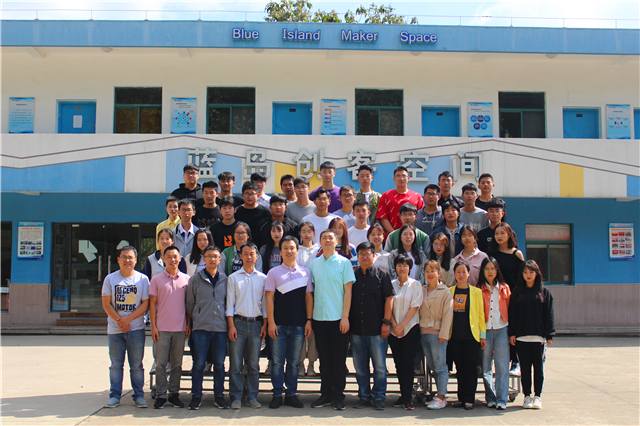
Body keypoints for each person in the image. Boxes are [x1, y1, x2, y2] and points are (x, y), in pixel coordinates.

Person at [265, 236, 314, 409]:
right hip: (278, 325)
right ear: (280, 251)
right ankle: (277, 394)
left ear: (297, 250)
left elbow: (309, 299)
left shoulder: (305, 272)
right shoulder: (273, 273)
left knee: (293, 363)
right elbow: (269, 299)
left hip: (299, 325)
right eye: (285, 248)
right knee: (277, 363)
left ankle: (291, 394)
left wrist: (308, 321)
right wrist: (271, 322)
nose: (289, 251)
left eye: (292, 247)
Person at [309, 229, 355, 411]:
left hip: (338, 318)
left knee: (338, 360)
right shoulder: (314, 264)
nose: (327, 240)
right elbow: (313, 289)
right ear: (320, 241)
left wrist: (345, 317)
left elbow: (348, 291)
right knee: (324, 360)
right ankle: (325, 395)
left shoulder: (344, 263)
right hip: (319, 318)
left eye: (331, 238)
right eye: (324, 238)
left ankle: (338, 396)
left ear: (337, 241)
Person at [101, 246, 150, 409]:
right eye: (124, 257)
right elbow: (106, 304)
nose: (127, 260)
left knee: (136, 365)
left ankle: (139, 395)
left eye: (130, 257)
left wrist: (128, 320)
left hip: (136, 329)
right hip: (115, 330)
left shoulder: (143, 279)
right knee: (116, 364)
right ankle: (115, 396)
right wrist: (119, 321)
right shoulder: (110, 279)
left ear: (136, 260)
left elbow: (145, 304)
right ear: (118, 260)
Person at [350, 242, 393, 411]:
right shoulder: (352, 275)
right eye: (361, 254)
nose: (364, 257)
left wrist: (386, 322)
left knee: (380, 367)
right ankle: (364, 396)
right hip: (356, 330)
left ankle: (379, 396)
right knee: (360, 367)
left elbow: (389, 299)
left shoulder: (382, 275)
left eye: (368, 254)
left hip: (377, 329)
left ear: (374, 256)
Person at [185, 245, 229, 410]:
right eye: (209, 256)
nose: (212, 259)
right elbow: (190, 304)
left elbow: (228, 304)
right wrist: (196, 319)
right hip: (200, 329)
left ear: (220, 260)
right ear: (204, 259)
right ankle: (196, 396)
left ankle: (219, 396)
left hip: (220, 329)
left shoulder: (226, 280)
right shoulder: (195, 280)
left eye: (215, 256)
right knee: (198, 364)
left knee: (219, 364)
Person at [226, 242, 268, 410]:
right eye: (246, 254)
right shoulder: (233, 278)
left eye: (252, 254)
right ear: (240, 256)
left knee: (253, 364)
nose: (249, 257)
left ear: (256, 256)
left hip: (256, 325)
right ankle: (236, 397)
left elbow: (265, 306)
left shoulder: (263, 279)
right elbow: (229, 305)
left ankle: (252, 396)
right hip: (238, 324)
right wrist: (231, 326)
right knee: (235, 364)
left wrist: (265, 325)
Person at [509, 260, 555, 410]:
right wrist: (512, 333)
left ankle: (538, 396)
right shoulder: (517, 292)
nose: (528, 275)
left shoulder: (544, 292)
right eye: (525, 272)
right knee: (525, 369)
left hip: (538, 337)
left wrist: (549, 334)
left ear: (537, 273)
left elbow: (549, 314)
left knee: (538, 369)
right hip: (521, 337)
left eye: (531, 272)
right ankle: (527, 396)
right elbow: (512, 314)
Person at [149, 245, 190, 409]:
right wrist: (153, 327)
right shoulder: (156, 280)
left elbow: (188, 305)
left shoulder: (187, 279)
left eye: (175, 257)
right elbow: (152, 305)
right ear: (163, 259)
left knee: (176, 364)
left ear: (180, 259)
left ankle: (174, 394)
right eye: (169, 257)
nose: (172, 260)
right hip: (162, 328)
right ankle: (161, 395)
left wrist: (188, 324)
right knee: (160, 364)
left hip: (180, 328)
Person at [449, 260, 486, 410]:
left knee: (471, 368)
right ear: (454, 274)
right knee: (460, 368)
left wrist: (482, 335)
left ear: (469, 274)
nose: (461, 275)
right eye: (458, 272)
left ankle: (470, 399)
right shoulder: (450, 291)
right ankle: (461, 398)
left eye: (464, 272)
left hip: (472, 337)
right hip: (455, 336)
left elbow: (481, 315)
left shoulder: (476, 292)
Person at [388, 254, 423, 411]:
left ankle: (408, 398)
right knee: (398, 364)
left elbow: (415, 307)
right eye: (399, 265)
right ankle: (403, 394)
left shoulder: (416, 285)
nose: (402, 268)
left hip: (410, 329)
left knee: (408, 364)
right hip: (394, 330)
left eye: (405, 265)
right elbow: (388, 306)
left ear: (410, 268)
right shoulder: (391, 284)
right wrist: (395, 325)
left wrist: (402, 326)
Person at [419, 260, 453, 410]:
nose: (429, 274)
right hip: (423, 332)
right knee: (432, 365)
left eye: (432, 271)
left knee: (440, 366)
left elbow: (448, 315)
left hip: (437, 333)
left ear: (439, 273)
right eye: (427, 271)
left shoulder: (445, 292)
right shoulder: (421, 290)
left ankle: (441, 396)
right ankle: (438, 395)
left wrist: (444, 334)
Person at [478, 257, 511, 411]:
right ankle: (490, 397)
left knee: (502, 365)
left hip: (501, 329)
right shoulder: (478, 289)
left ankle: (502, 399)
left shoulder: (504, 288)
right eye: (487, 269)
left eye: (492, 268)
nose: (490, 272)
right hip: (485, 330)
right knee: (486, 367)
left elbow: (510, 308)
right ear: (483, 271)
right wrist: (481, 334)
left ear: (497, 270)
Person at [296, 221, 320, 377]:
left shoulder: (319, 250)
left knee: (313, 332)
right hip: (299, 294)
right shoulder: (296, 249)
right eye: (303, 231)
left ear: (313, 233)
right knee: (300, 330)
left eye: (309, 231)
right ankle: (300, 363)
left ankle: (311, 363)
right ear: (299, 233)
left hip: (316, 294)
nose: (306, 234)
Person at [376, 166, 425, 233]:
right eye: (398, 176)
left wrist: (412, 233)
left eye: (404, 176)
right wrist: (394, 234)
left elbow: (421, 217)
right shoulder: (386, 196)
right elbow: (383, 217)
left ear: (408, 178)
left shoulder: (417, 197)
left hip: (412, 236)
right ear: (394, 179)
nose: (401, 179)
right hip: (391, 236)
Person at [487, 223, 524, 290]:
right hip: (495, 292)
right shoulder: (490, 254)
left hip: (513, 292)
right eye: (496, 233)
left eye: (502, 233)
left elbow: (522, 277)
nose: (499, 236)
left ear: (509, 234)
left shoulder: (516, 254)